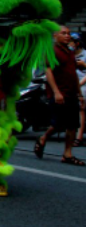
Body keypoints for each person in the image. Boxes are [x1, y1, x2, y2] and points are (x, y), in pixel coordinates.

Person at [34, 26, 85, 166]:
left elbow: (73, 73)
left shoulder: (70, 52)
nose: (67, 36)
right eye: (63, 33)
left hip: (71, 93)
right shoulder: (51, 51)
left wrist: (79, 94)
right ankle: (43, 138)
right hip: (59, 93)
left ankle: (67, 154)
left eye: (68, 34)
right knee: (58, 124)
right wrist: (56, 92)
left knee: (73, 124)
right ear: (55, 35)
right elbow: (48, 72)